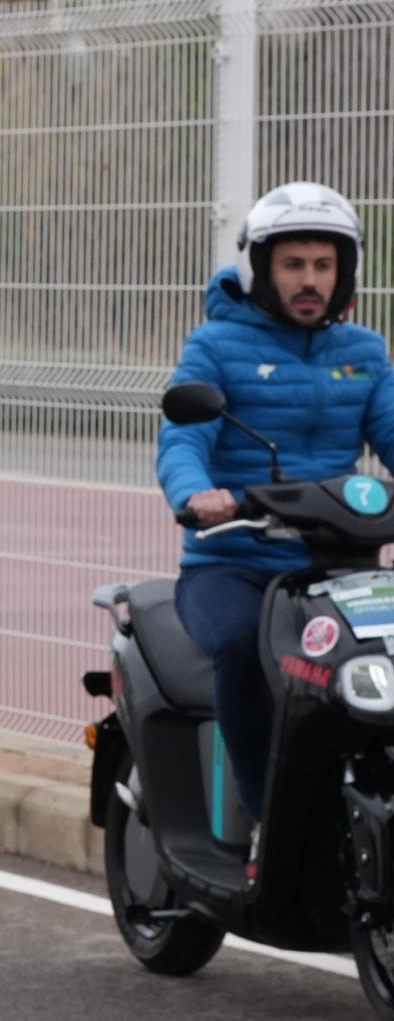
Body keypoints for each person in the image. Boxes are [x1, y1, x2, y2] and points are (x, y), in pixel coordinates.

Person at [158, 182, 394, 862]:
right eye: (295, 265)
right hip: (233, 563)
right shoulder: (216, 346)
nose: (310, 280)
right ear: (262, 269)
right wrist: (199, 493)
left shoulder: (366, 353)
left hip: (336, 566)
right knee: (240, 645)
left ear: (344, 271)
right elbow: (182, 441)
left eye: (324, 265)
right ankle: (269, 821)